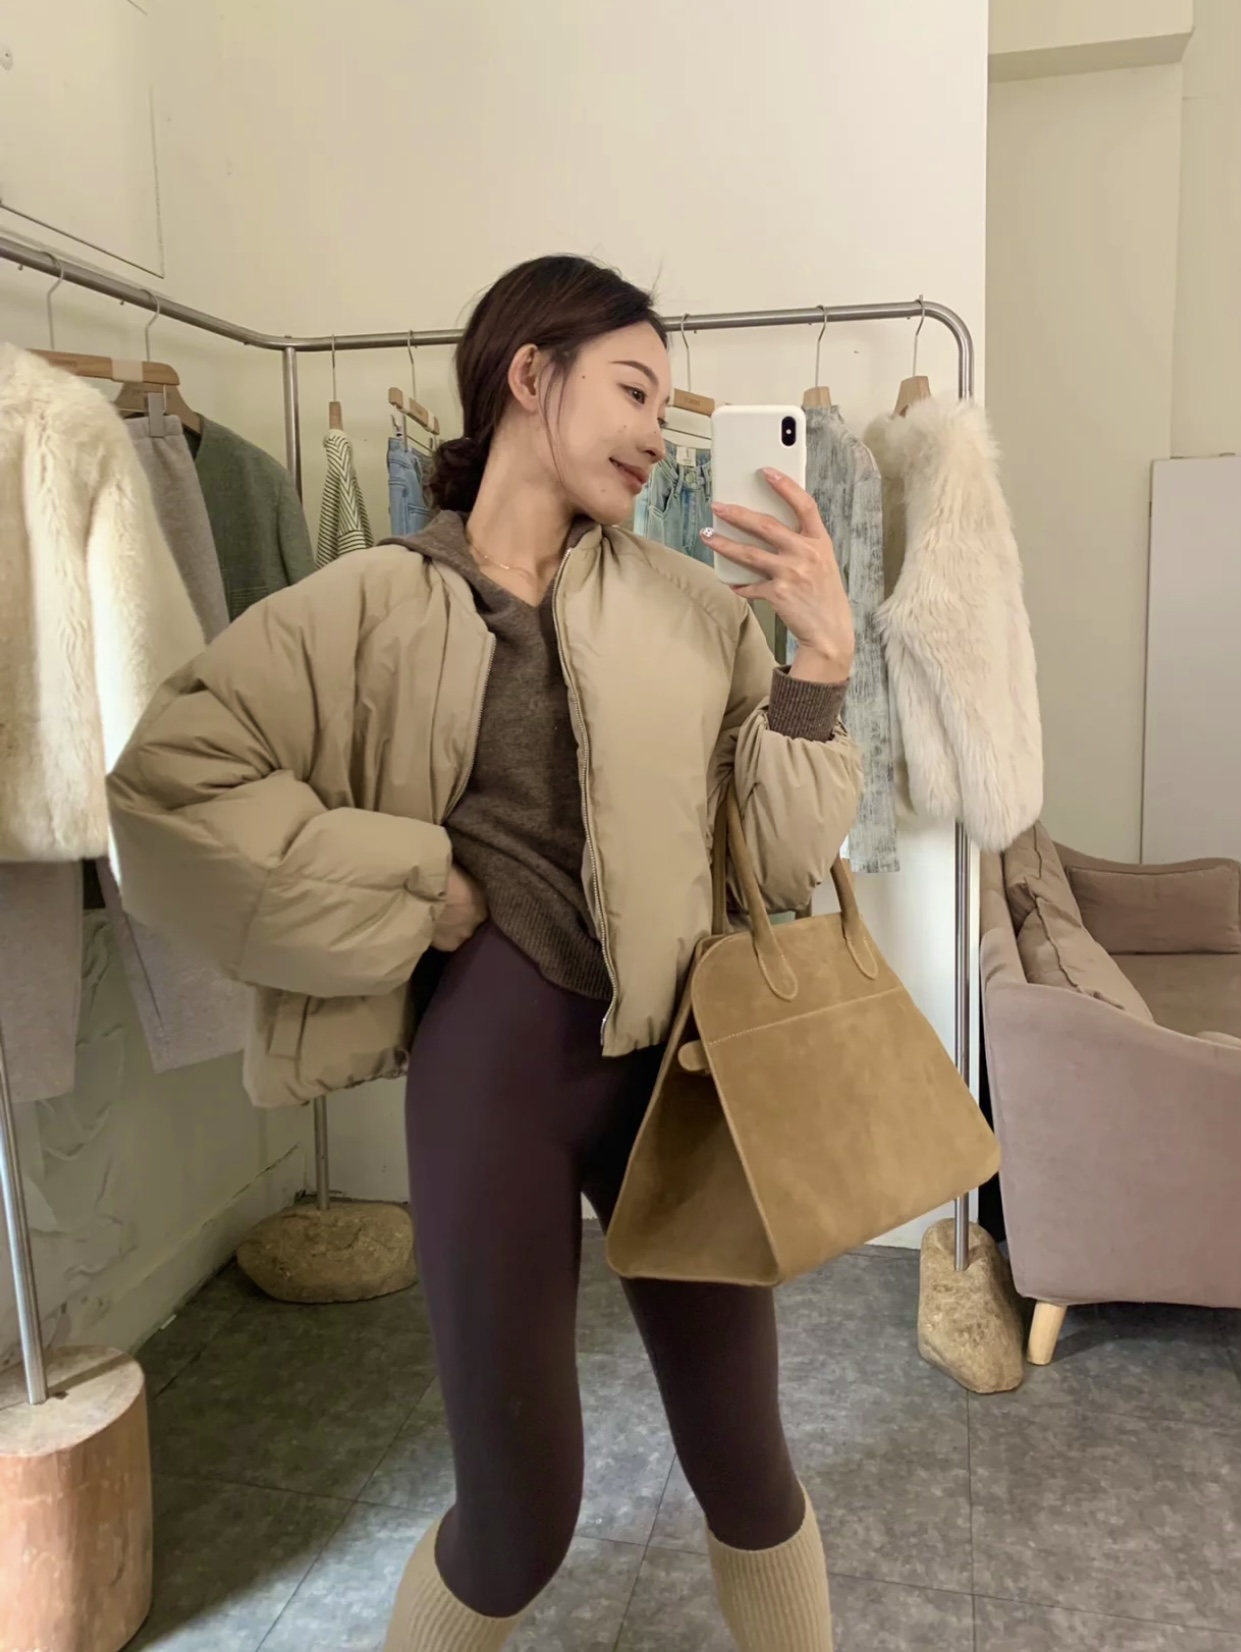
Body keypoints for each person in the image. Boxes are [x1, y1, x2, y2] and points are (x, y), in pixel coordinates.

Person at [107, 255, 861, 1651]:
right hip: (493, 1075)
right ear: (529, 375)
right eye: (631, 389)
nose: (657, 430)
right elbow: (165, 787)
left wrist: (818, 664)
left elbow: (774, 860)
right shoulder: (369, 605)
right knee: (518, 1522)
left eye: (664, 403)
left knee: (749, 1473)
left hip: (678, 1084)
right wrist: (417, 885)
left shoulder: (695, 612)